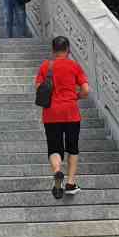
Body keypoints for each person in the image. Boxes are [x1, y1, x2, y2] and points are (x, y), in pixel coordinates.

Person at [35, 36, 90, 200]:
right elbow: (86, 90)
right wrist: (76, 96)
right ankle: (71, 184)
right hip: (71, 112)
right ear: (68, 49)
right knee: (72, 148)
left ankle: (57, 171)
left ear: (53, 50)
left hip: (51, 114)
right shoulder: (74, 66)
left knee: (54, 148)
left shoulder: (46, 66)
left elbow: (38, 88)